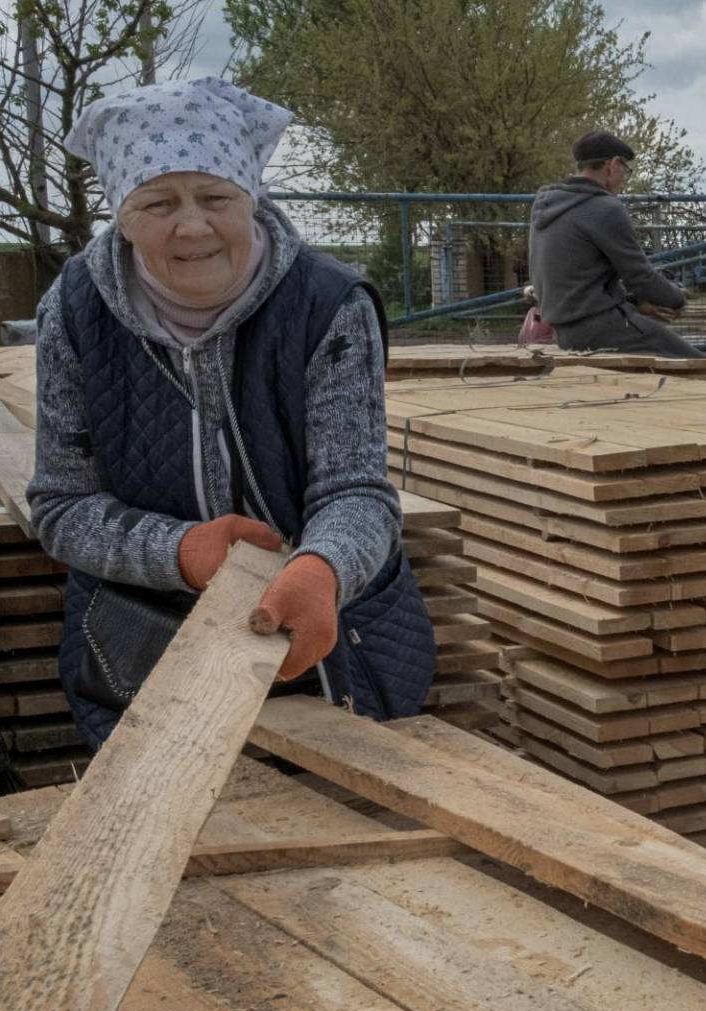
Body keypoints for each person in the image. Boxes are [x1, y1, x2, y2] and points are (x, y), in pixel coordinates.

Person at [31, 77, 433, 748]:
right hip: (147, 645)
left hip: (332, 638)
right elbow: (61, 506)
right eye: (157, 202)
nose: (192, 225)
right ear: (122, 217)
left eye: (215, 197)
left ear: (251, 198)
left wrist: (323, 568)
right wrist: (181, 552)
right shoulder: (75, 313)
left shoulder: (327, 304)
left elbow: (356, 489)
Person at [528, 130, 706, 359]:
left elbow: (582, 279)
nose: (624, 178)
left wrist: (634, 303)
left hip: (565, 332)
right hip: (602, 328)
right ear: (612, 165)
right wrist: (677, 299)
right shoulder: (605, 208)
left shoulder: (545, 204)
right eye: (625, 169)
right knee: (700, 364)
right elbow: (641, 277)